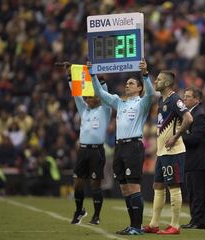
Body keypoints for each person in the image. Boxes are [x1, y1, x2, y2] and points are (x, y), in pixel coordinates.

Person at [89, 58, 154, 235]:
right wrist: (93, 75)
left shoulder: (142, 103)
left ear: (139, 88)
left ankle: (137, 227)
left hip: (133, 146)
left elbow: (151, 94)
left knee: (133, 187)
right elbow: (100, 95)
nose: (127, 85)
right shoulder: (120, 102)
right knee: (125, 189)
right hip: (120, 148)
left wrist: (145, 75)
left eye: (131, 83)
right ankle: (132, 225)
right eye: (126, 83)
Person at [143, 71, 193, 234]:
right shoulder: (161, 100)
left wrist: (176, 136)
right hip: (162, 152)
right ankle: (154, 224)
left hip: (174, 151)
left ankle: (175, 225)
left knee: (173, 186)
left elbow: (188, 118)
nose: (155, 81)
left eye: (158, 79)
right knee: (157, 186)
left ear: (166, 83)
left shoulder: (174, 99)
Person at [61, 62, 112, 225]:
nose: (88, 99)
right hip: (83, 151)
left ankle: (96, 215)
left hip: (97, 151)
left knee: (96, 185)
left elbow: (106, 94)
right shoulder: (84, 110)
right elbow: (76, 94)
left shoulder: (105, 110)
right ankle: (79, 210)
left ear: (99, 97)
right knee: (78, 184)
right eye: (87, 97)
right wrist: (71, 75)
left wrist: (102, 83)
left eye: (92, 96)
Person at [180, 86, 205, 230]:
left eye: (188, 96)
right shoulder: (192, 113)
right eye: (185, 96)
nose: (184, 99)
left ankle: (199, 222)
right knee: (193, 192)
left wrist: (177, 136)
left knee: (199, 193)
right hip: (193, 159)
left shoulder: (200, 114)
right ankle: (194, 220)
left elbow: (195, 139)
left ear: (197, 99)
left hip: (200, 160)